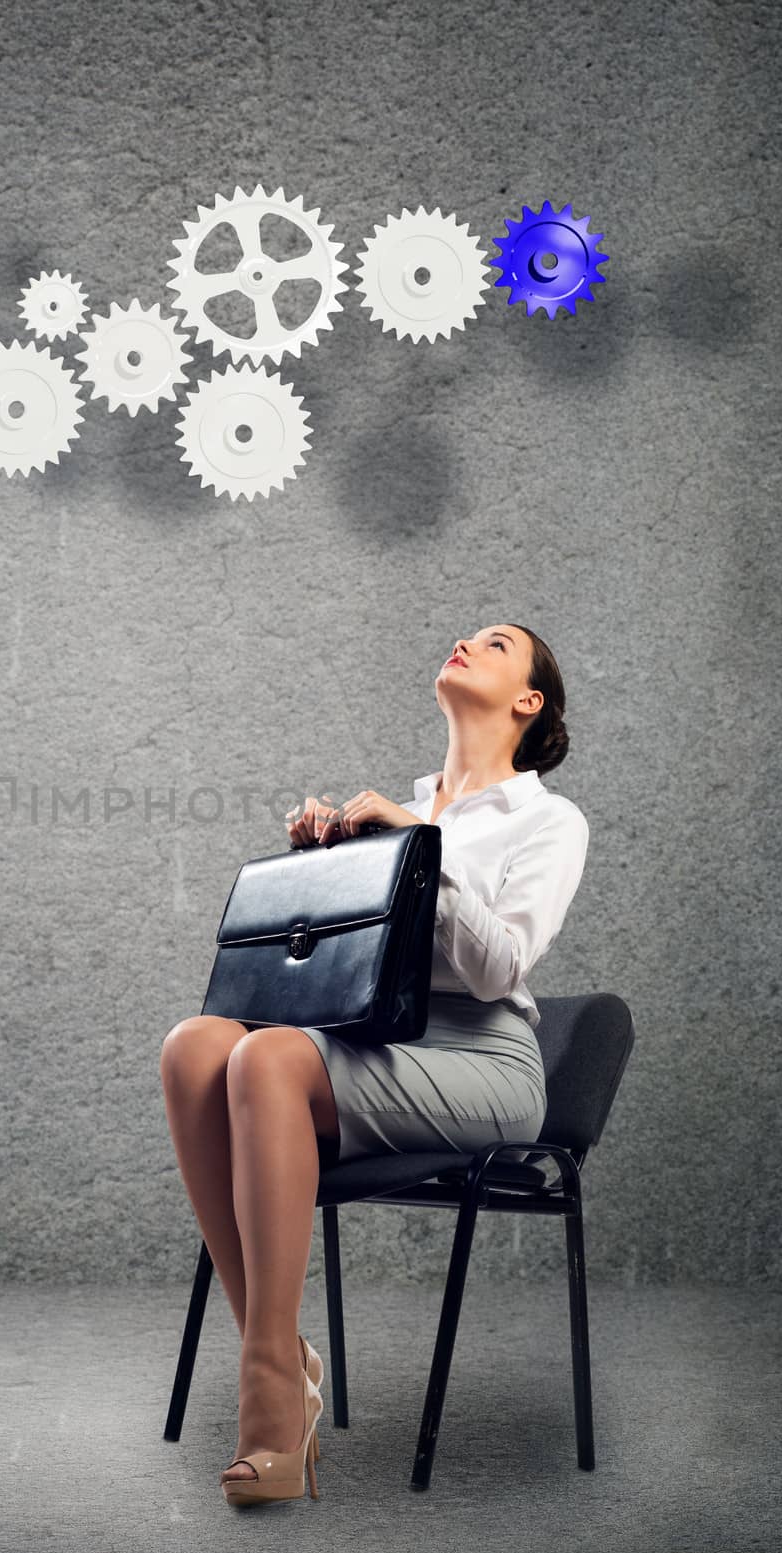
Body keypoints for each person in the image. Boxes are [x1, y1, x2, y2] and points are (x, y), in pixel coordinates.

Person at [160, 622, 590, 1505]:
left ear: (528, 701)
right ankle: (279, 1351)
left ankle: (270, 1400)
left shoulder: (548, 821)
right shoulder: (400, 808)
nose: (468, 642)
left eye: (497, 643)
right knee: (197, 1045)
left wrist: (416, 855)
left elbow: (500, 967)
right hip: (371, 1046)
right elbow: (337, 978)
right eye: (469, 635)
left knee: (267, 1062)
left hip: (484, 1061)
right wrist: (325, 869)